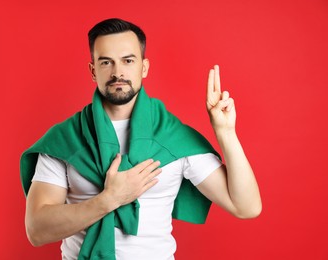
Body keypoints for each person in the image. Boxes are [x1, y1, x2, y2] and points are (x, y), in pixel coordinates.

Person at [20, 18, 261, 260]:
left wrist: (225, 133)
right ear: (93, 71)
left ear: (144, 67)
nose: (118, 73)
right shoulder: (66, 139)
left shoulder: (173, 138)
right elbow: (36, 230)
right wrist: (109, 199)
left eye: (128, 60)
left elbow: (246, 207)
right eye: (106, 62)